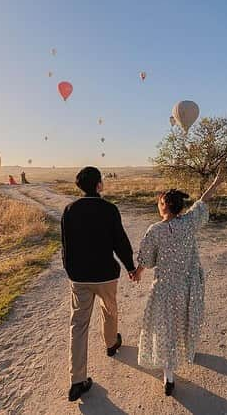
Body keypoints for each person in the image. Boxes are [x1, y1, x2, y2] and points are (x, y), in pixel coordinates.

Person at [131, 170, 224, 396]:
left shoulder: (155, 230)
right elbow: (203, 202)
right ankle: (185, 354)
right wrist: (216, 183)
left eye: (160, 202)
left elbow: (146, 260)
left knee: (165, 329)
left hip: (164, 289)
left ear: (164, 205)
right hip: (187, 287)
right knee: (183, 323)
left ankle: (168, 376)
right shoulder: (189, 223)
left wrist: (137, 273)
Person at [61, 166, 137, 402]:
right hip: (105, 275)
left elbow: (65, 246)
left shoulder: (69, 210)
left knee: (78, 326)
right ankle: (111, 343)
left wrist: (70, 271)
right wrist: (130, 267)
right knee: (109, 309)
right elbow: (120, 242)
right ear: (98, 185)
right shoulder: (109, 209)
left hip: (80, 277)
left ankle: (77, 381)